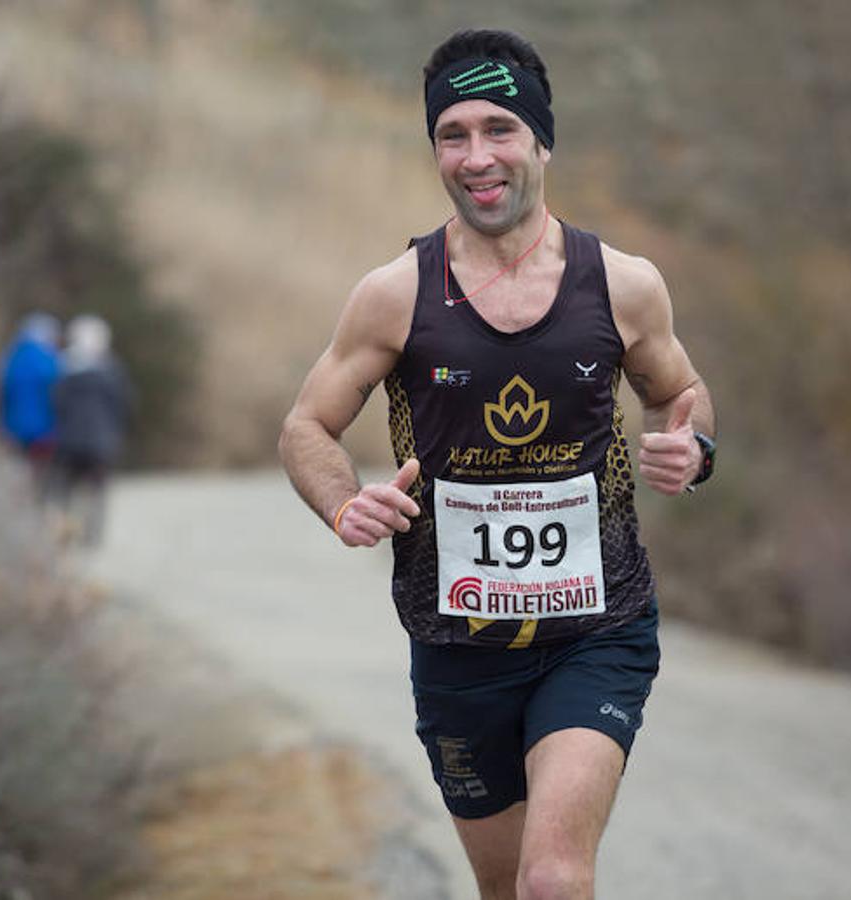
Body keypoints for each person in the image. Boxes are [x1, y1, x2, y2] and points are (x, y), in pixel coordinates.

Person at [278, 28, 716, 900]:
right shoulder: (395, 293)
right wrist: (342, 506)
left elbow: (681, 391)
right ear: (435, 150)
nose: (476, 157)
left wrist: (690, 448)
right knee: (505, 889)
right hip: (455, 643)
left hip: (598, 630)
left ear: (541, 140)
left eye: (499, 129)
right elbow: (306, 427)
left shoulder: (623, 284)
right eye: (453, 135)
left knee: (552, 879)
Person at [51, 314, 132, 545]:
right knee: (97, 492)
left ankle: (63, 532)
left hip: (69, 443)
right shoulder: (112, 370)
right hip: (100, 443)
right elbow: (124, 404)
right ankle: (91, 536)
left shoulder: (64, 369)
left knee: (66, 492)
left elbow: (57, 403)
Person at [0, 312, 62, 474]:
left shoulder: (11, 359)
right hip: (45, 428)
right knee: (41, 468)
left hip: (14, 427)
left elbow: (1, 394)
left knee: (21, 469)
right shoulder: (51, 360)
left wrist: (0, 424)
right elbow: (58, 395)